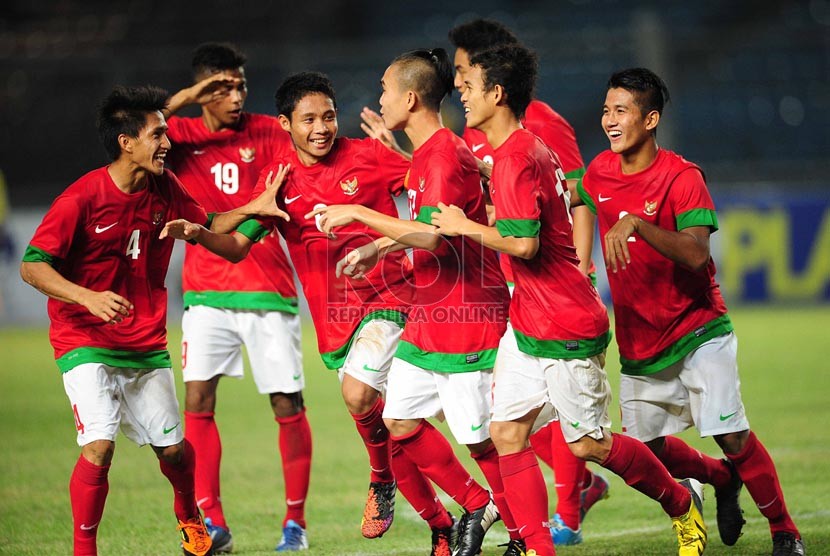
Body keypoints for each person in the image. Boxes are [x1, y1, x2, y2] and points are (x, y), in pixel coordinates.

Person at [160, 71, 456, 556]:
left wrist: (402, 158)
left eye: (329, 116)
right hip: (335, 324)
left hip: (392, 300)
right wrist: (197, 233)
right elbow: (236, 247)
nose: (322, 127)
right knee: (397, 421)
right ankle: (446, 521)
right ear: (285, 124)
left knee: (361, 396)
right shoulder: (279, 180)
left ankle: (387, 482)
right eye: (309, 119)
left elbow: (432, 183)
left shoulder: (365, 155)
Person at [432, 44, 709, 556]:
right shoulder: (523, 149)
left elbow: (524, 244)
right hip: (529, 322)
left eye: (468, 86)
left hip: (565, 321)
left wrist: (463, 224)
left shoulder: (518, 156)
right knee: (507, 432)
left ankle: (679, 502)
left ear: (496, 92)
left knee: (587, 444)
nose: (461, 95)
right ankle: (541, 547)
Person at [18, 85, 284, 556]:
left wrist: (251, 208)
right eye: (158, 133)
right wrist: (87, 298)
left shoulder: (164, 188)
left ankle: (188, 515)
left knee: (175, 453)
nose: (167, 142)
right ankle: (84, 549)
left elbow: (208, 221)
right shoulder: (81, 197)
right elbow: (32, 266)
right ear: (127, 142)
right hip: (83, 338)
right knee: (99, 445)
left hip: (143, 341)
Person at [576, 67, 804, 556]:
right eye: (605, 110)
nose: (609, 121)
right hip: (640, 339)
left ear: (651, 118)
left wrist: (637, 224)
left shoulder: (682, 177)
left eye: (621, 111)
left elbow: (698, 254)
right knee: (650, 453)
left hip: (698, 329)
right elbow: (568, 197)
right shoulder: (597, 173)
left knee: (731, 432)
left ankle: (785, 530)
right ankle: (721, 479)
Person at [308, 48, 510, 556]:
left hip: (465, 311)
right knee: (400, 418)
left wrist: (358, 212)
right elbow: (431, 225)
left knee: (485, 436)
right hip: (431, 313)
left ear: (410, 98)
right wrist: (379, 245)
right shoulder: (426, 154)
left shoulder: (440, 154)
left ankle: (524, 528)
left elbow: (433, 239)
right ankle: (479, 504)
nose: (379, 98)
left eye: (385, 90)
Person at [448, 18, 606, 548]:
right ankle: (543, 534)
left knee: (581, 436)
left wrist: (581, 262)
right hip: (517, 292)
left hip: (555, 289)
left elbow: (574, 197)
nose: (457, 84)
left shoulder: (539, 130)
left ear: (493, 79)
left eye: (464, 72)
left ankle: (581, 503)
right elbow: (480, 194)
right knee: (509, 427)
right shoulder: (482, 132)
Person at [162, 42, 311, 553]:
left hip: (267, 287)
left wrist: (240, 226)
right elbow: (131, 130)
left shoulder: (270, 130)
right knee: (198, 401)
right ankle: (214, 520)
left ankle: (296, 523)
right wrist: (184, 98)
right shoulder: (176, 136)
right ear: (203, 91)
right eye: (223, 87)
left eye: (240, 85)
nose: (236, 95)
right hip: (204, 292)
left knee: (286, 403)